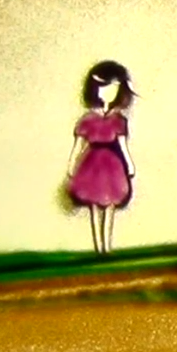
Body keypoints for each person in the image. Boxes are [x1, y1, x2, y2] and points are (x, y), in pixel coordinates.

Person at [65, 60, 137, 254]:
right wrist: (72, 163)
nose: (108, 92)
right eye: (104, 87)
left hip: (113, 165)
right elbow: (78, 144)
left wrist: (129, 164)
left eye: (113, 88)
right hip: (92, 165)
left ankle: (107, 247)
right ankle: (98, 247)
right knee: (95, 206)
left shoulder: (118, 120)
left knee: (111, 205)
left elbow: (122, 145)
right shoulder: (87, 120)